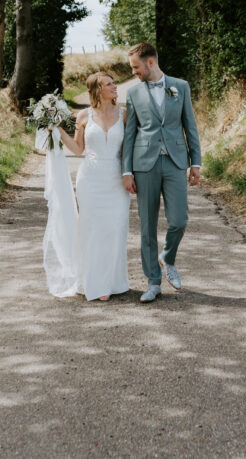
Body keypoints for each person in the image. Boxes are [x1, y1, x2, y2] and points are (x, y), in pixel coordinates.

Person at [121, 42, 202, 303]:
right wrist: (127, 170)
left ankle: (167, 257)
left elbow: (190, 126)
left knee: (179, 220)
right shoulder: (133, 94)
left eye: (136, 67)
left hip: (176, 162)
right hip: (144, 164)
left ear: (151, 63)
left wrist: (196, 162)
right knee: (147, 225)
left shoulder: (181, 86)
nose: (133, 72)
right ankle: (153, 282)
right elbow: (130, 134)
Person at [55, 72, 130, 302]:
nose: (114, 86)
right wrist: (57, 129)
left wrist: (131, 174)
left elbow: (130, 149)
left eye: (114, 83)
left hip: (117, 179)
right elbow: (78, 149)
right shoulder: (84, 115)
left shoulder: (124, 114)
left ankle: (113, 281)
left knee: (115, 229)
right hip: (90, 179)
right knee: (92, 229)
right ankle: (95, 283)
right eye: (109, 84)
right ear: (97, 90)